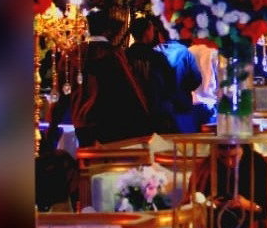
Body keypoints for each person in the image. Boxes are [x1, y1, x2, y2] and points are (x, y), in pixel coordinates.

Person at [74, 9, 152, 146]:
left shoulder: (73, 54)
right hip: (108, 123)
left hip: (81, 123)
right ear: (107, 31)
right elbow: (131, 87)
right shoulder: (113, 54)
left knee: (85, 155)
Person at [187, 143, 267, 228]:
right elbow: (198, 195)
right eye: (223, 157)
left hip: (252, 220)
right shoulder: (208, 166)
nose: (229, 162)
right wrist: (212, 202)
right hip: (214, 218)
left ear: (243, 149)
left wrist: (249, 205)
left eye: (234, 157)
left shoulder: (258, 164)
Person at [151, 17, 205, 132]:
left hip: (162, 107)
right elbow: (196, 79)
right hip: (183, 104)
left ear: (160, 35)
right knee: (185, 139)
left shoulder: (154, 51)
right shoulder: (185, 52)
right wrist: (184, 88)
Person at [127, 16, 174, 134]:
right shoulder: (156, 57)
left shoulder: (125, 56)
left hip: (132, 110)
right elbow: (169, 83)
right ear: (147, 32)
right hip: (156, 110)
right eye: (152, 30)